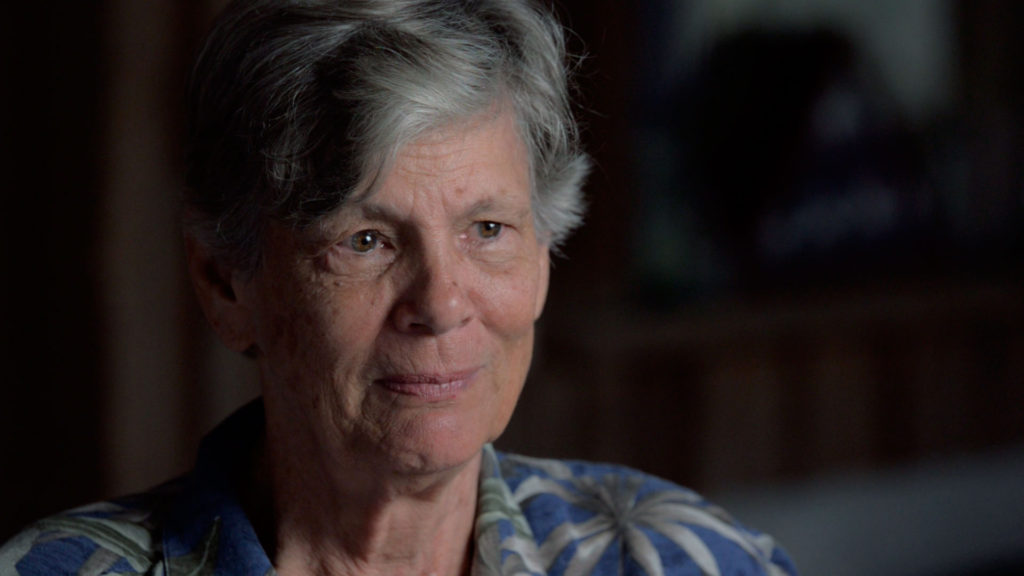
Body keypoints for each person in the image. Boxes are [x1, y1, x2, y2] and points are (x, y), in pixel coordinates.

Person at [0, 1, 797, 574]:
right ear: (224, 283)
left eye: (488, 230)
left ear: (545, 253)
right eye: (367, 241)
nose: (443, 303)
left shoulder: (681, 559)